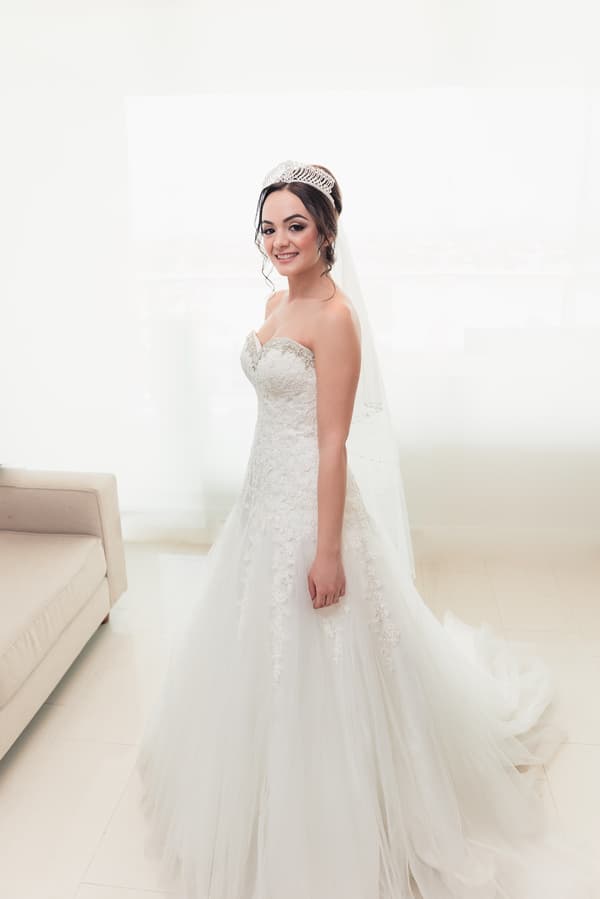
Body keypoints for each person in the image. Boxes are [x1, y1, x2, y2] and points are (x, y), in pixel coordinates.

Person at [136, 161, 599, 899]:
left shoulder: (336, 318)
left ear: (326, 233)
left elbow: (330, 443)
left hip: (315, 505)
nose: (280, 238)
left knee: (328, 654)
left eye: (296, 225)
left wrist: (326, 550)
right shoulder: (275, 300)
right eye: (269, 226)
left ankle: (339, 807)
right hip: (263, 499)